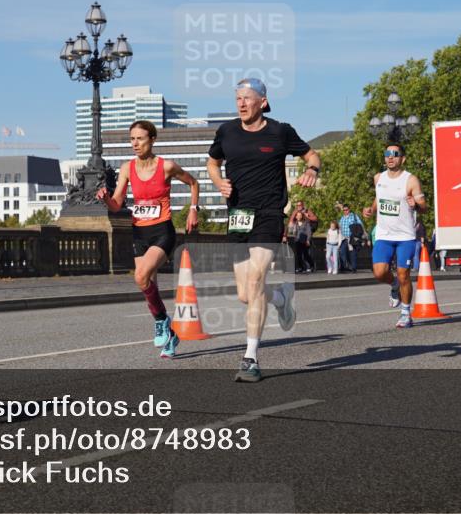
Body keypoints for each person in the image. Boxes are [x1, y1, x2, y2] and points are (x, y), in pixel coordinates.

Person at [207, 78, 321, 383]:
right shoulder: (227, 131)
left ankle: (250, 358)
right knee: (246, 294)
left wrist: (312, 170)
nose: (241, 103)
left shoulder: (280, 131)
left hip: (269, 213)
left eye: (247, 98)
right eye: (238, 98)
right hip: (238, 215)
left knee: (257, 279)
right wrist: (218, 182)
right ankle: (281, 299)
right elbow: (212, 163)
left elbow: (311, 155)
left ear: (263, 102)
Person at [98, 120, 200, 358]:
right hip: (139, 233)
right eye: (132, 139)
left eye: (140, 138)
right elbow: (116, 205)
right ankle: (170, 333)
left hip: (162, 231)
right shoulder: (127, 168)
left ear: (152, 139)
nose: (135, 143)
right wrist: (106, 199)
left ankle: (162, 321)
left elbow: (193, 183)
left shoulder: (167, 166)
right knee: (147, 284)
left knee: (140, 276)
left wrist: (193, 210)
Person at [363, 143, 428, 328]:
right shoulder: (378, 178)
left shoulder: (411, 180)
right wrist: (371, 209)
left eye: (395, 154)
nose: (390, 157)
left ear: (403, 159)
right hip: (384, 234)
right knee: (379, 273)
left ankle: (406, 313)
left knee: (403, 275)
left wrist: (416, 205)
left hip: (405, 236)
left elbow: (424, 207)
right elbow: (379, 197)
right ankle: (394, 286)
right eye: (387, 154)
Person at [337, 204, 364, 273]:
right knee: (342, 252)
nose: (345, 211)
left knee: (353, 254)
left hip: (352, 238)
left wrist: (359, 236)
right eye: (344, 210)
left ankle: (353, 268)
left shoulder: (354, 216)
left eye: (346, 210)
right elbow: (339, 227)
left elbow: (361, 225)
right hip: (344, 238)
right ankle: (346, 266)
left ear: (349, 209)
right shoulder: (342, 218)